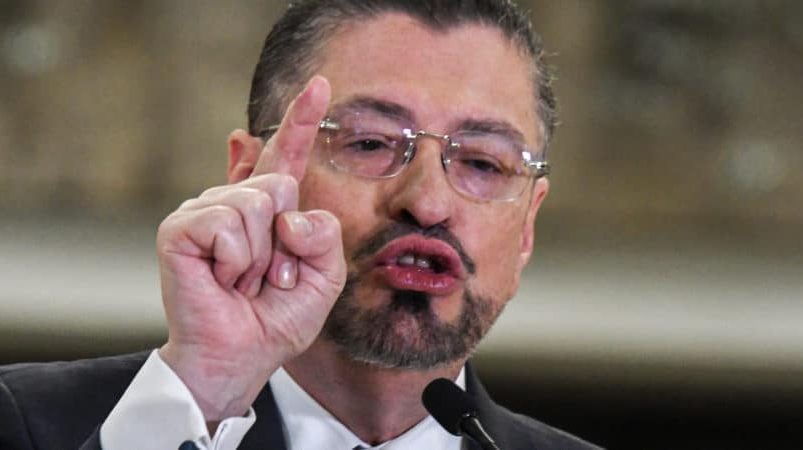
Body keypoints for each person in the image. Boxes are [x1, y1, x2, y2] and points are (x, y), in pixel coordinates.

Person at [0, 1, 602, 449]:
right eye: (370, 143)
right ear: (248, 178)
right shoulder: (26, 423)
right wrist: (208, 390)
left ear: (527, 228)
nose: (426, 202)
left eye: (482, 163)